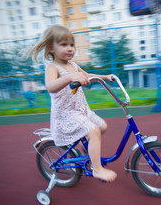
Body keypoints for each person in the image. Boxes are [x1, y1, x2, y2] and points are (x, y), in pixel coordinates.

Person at [27, 25, 117, 182]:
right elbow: (50, 87)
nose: (69, 49)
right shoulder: (52, 67)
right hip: (66, 114)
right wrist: (69, 78)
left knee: (102, 127)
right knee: (94, 131)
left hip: (81, 109)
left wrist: (105, 76)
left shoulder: (73, 65)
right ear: (51, 48)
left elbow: (87, 75)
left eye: (71, 45)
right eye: (63, 45)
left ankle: (88, 148)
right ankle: (97, 169)